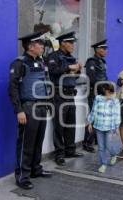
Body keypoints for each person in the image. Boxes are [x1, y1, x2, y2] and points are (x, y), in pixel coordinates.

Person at [9, 32, 53, 190]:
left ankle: (35, 169)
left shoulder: (41, 62)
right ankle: (22, 176)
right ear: (30, 46)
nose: (42, 46)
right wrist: (18, 110)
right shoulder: (19, 63)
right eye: (39, 44)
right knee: (26, 143)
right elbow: (12, 88)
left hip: (42, 106)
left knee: (38, 141)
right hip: (28, 107)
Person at [47, 31, 83, 166]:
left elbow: (75, 77)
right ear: (63, 43)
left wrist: (78, 70)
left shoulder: (71, 57)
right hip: (58, 94)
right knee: (59, 125)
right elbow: (53, 71)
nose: (73, 45)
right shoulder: (53, 56)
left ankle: (70, 150)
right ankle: (59, 154)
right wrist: (69, 68)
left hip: (70, 94)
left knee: (70, 123)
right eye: (71, 43)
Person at [87, 83, 121, 173]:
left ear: (110, 90)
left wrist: (117, 127)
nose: (106, 91)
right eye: (105, 90)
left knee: (109, 145)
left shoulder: (115, 101)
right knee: (101, 147)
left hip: (109, 127)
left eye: (107, 90)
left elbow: (117, 114)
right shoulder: (98, 98)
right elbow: (93, 110)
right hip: (98, 126)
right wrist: (90, 122)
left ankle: (114, 155)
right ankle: (103, 164)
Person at [83, 39, 109, 153]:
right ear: (97, 50)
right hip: (94, 93)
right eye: (103, 48)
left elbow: (104, 77)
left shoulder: (102, 62)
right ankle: (87, 142)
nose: (105, 51)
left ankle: (98, 139)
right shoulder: (91, 62)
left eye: (105, 48)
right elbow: (92, 79)